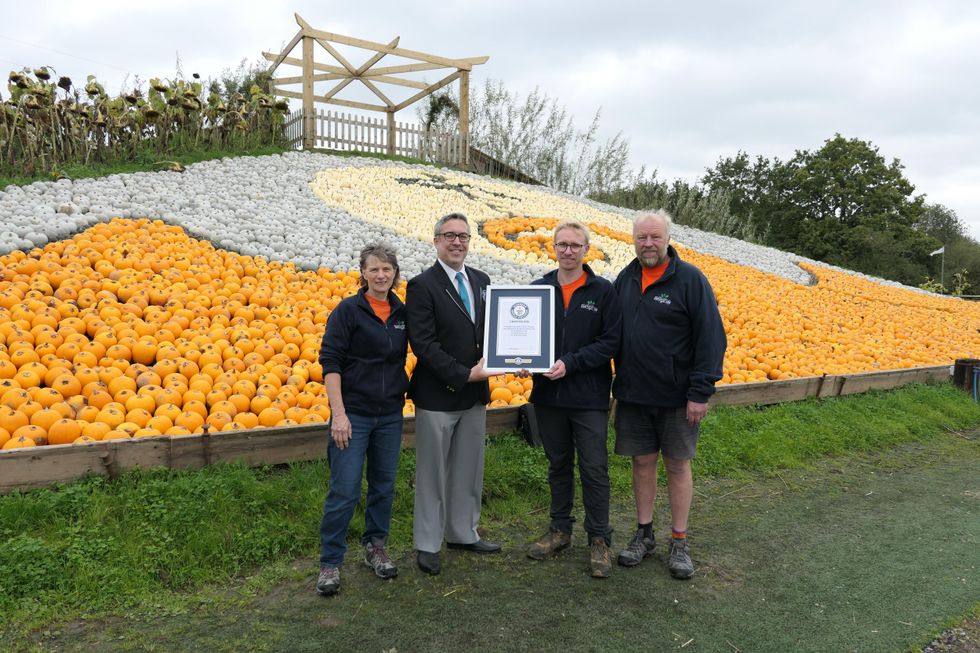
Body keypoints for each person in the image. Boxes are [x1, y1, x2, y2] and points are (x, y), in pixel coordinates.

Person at [612, 210, 726, 580]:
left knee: (677, 465)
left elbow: (711, 339)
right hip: (633, 394)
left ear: (667, 239)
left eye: (655, 238)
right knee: (642, 463)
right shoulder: (625, 279)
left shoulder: (690, 280)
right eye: (642, 237)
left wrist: (700, 391)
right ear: (633, 239)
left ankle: (679, 539)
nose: (648, 244)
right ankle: (644, 534)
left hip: (678, 398)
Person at [526, 220, 622, 578]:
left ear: (586, 250)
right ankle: (560, 530)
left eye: (575, 245)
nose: (568, 250)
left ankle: (599, 539)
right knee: (558, 465)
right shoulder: (538, 290)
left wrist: (572, 363)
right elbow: (526, 339)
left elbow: (611, 342)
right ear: (553, 247)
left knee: (594, 468)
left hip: (589, 397)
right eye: (562, 244)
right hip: (549, 397)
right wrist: (521, 361)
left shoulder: (602, 291)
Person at [406, 212, 498, 576]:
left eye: (464, 236)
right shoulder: (422, 286)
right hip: (438, 394)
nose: (457, 242)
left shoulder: (482, 281)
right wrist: (464, 374)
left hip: (475, 396)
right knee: (432, 473)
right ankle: (428, 543)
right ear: (436, 241)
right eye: (449, 236)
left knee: (468, 468)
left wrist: (518, 356)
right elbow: (423, 344)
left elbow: (492, 334)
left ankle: (463, 532)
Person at [316, 243, 409, 596]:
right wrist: (338, 414)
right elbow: (331, 363)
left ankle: (376, 547)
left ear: (395, 274)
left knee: (384, 486)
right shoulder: (348, 311)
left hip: (389, 415)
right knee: (345, 489)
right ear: (363, 273)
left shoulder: (402, 313)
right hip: (352, 415)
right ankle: (330, 562)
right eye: (374, 269)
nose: (381, 275)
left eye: (387, 269)